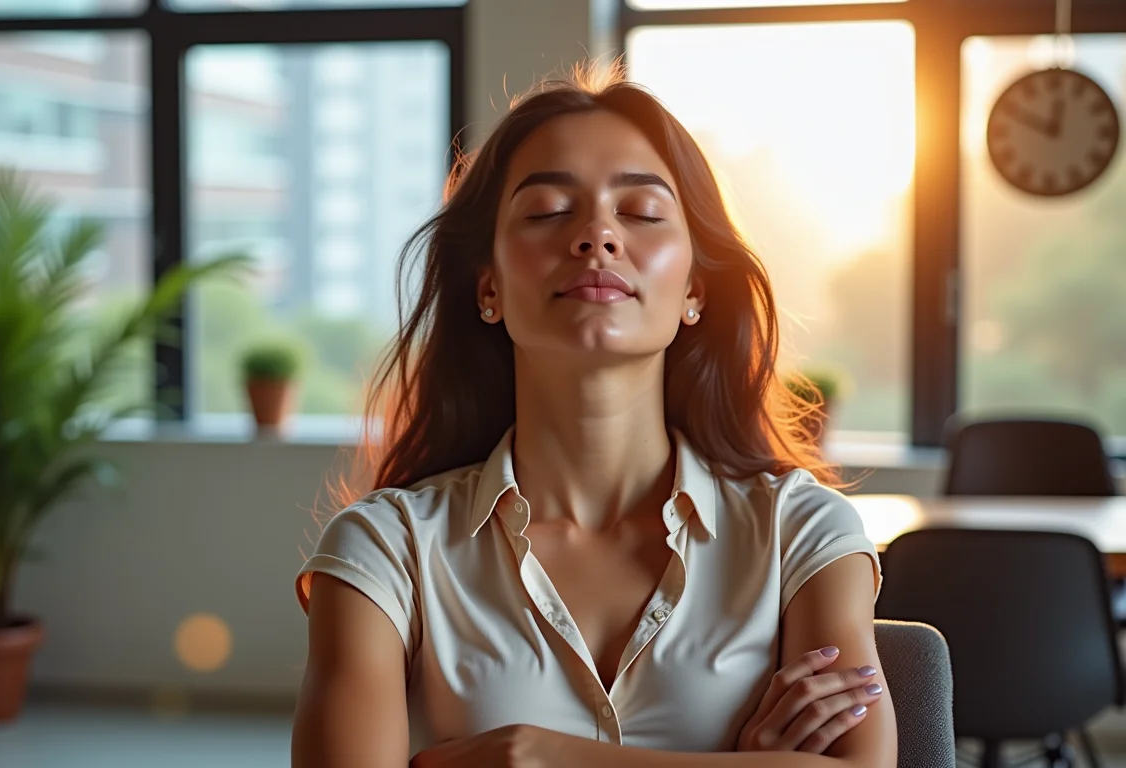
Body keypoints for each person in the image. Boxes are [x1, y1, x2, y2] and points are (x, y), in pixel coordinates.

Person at [291, 62, 896, 768]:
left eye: (640, 213)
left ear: (695, 289)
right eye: (548, 211)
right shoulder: (385, 550)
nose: (597, 236)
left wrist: (537, 755)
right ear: (488, 287)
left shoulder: (801, 531)